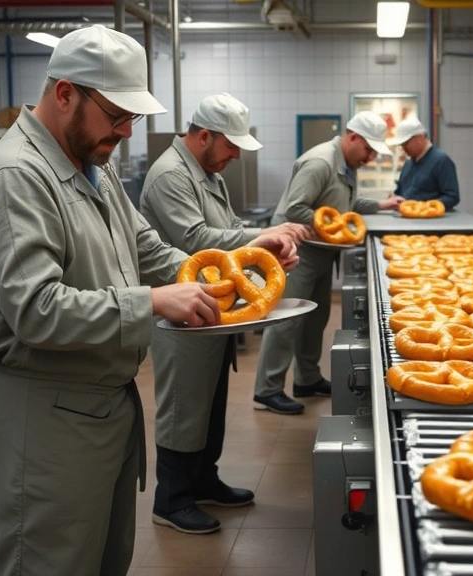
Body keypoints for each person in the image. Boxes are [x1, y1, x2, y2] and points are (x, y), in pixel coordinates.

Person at [0, 26, 295, 576]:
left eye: (132, 118)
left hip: (101, 407)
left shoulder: (96, 165)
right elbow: (35, 309)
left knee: (103, 559)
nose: (126, 131)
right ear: (65, 93)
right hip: (44, 415)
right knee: (49, 561)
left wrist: (221, 281)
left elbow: (145, 248)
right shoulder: (18, 176)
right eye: (117, 114)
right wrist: (154, 303)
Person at [139, 93, 308, 534]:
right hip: (181, 312)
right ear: (203, 135)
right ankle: (172, 500)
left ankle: (203, 479)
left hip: (212, 306)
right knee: (182, 404)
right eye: (230, 145)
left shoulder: (209, 174)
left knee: (209, 401)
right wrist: (261, 236)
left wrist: (260, 247)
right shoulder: (170, 176)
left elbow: (229, 233)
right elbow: (195, 238)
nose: (235, 154)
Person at [253, 112, 404, 415]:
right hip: (297, 252)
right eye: (369, 150)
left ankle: (306, 379)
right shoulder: (320, 162)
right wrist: (334, 228)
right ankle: (267, 390)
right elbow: (296, 208)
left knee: (314, 319)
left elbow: (343, 206)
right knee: (285, 321)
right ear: (352, 137)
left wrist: (381, 204)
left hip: (322, 252)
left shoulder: (347, 165)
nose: (371, 157)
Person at [390, 116, 460, 210]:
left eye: (405, 144)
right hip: (407, 218)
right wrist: (393, 199)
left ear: (420, 138)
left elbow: (452, 197)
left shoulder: (441, 161)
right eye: (401, 145)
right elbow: (399, 192)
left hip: (431, 222)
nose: (403, 149)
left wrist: (424, 207)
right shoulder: (408, 164)